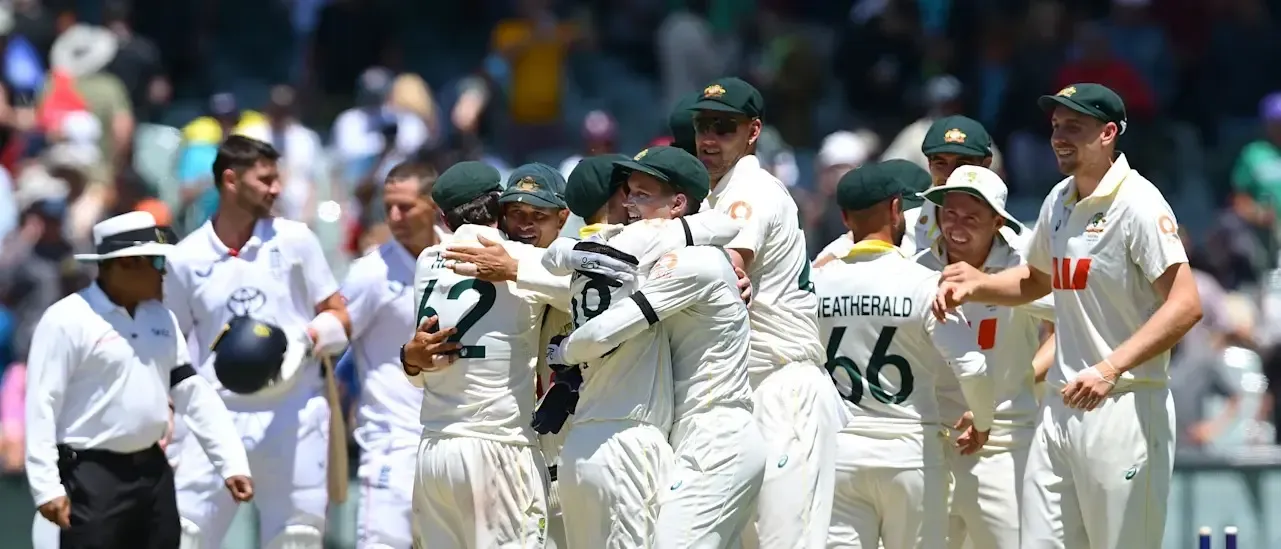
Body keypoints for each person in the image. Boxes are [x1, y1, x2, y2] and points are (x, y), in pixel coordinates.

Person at [935, 83, 1204, 549]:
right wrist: (978, 283)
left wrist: (1110, 367)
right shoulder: (1059, 199)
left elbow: (1185, 304)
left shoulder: (1138, 203)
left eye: (1074, 127)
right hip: (1059, 408)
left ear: (1109, 134)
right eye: (1056, 127)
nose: (1059, 137)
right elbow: (1037, 280)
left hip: (1124, 404)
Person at [546, 145, 765, 547]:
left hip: (716, 431)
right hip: (682, 432)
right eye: (627, 192)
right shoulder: (661, 255)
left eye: (642, 194)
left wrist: (561, 352)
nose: (628, 204)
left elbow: (603, 328)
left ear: (678, 203)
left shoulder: (693, 263)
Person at [163, 136, 353, 549]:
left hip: (292, 409)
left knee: (297, 537)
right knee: (186, 536)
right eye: (265, 179)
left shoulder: (296, 240)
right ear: (230, 181)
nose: (276, 188)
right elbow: (170, 345)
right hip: (214, 414)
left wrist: (308, 337)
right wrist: (168, 413)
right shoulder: (185, 257)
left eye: (277, 178)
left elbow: (340, 315)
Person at [25, 212, 251, 549]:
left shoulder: (161, 317)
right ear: (125, 264)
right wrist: (47, 486)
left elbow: (192, 392)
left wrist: (231, 462)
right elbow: (42, 404)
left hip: (153, 475)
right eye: (156, 261)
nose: (164, 273)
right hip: (91, 478)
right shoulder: (66, 320)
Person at [812, 163, 996, 549]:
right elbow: (973, 366)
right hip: (910, 454)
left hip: (839, 453)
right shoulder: (924, 283)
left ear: (845, 217)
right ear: (897, 209)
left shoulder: (816, 283)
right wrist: (981, 421)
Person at [692, 76, 839, 548]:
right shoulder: (716, 194)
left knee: (784, 541)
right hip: (746, 388)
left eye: (724, 127)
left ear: (752, 131)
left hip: (782, 385)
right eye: (702, 126)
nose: (709, 139)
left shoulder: (748, 188)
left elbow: (730, 271)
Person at [407, 161, 572, 548]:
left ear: (444, 218)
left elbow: (423, 361)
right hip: (500, 447)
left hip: (435, 448)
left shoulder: (425, 261)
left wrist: (409, 359)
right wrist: (517, 270)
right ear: (498, 207)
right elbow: (595, 298)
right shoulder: (521, 258)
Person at [914, 165, 1057, 549]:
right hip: (933, 443)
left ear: (997, 221)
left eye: (972, 218)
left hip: (1005, 444)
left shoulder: (1024, 269)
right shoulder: (918, 268)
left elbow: (1075, 322)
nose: (956, 227)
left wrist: (1029, 373)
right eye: (950, 214)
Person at [338, 162, 438, 549]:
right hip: (391, 442)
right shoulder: (369, 273)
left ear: (433, 204)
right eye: (388, 206)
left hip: (454, 438)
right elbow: (333, 334)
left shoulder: (462, 254)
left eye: (406, 206)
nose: (394, 217)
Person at [815, 116, 1001, 264]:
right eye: (940, 163)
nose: (950, 174)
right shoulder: (905, 224)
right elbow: (826, 263)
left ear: (986, 164)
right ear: (929, 165)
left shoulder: (1009, 235)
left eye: (962, 163)